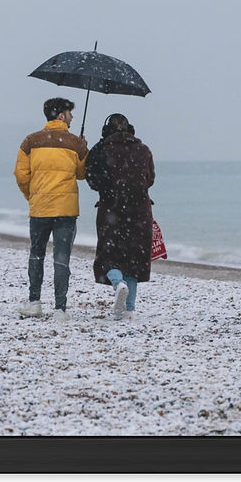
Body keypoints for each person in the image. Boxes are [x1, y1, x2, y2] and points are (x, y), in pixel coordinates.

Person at [13, 97, 88, 320]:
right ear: (61, 116)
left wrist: (32, 196)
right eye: (69, 113)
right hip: (66, 209)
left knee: (36, 254)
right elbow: (82, 175)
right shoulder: (74, 143)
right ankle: (60, 309)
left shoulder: (30, 141)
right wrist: (83, 148)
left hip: (40, 209)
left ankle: (34, 301)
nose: (72, 117)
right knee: (61, 258)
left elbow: (20, 174)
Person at [85, 113, 155, 319]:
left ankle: (118, 284)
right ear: (129, 128)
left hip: (111, 210)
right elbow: (150, 179)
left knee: (108, 255)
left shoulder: (101, 149)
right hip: (140, 211)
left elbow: (92, 180)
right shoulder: (143, 150)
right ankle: (129, 310)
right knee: (134, 257)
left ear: (107, 130)